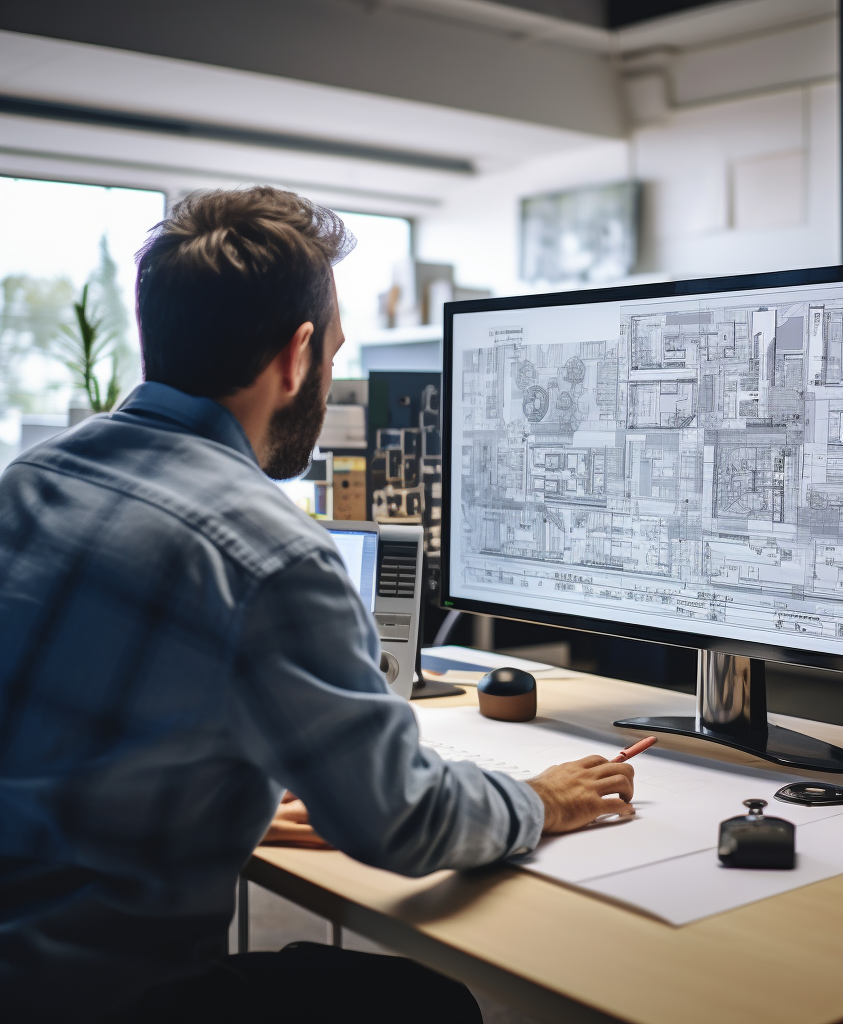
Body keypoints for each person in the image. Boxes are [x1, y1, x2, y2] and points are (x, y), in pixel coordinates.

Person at [0, 187, 636, 1023]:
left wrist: (234, 799)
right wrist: (543, 800)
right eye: (335, 354)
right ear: (297, 358)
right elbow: (402, 824)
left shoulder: (31, 482)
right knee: (427, 1005)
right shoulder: (269, 553)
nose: (330, 371)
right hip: (102, 998)